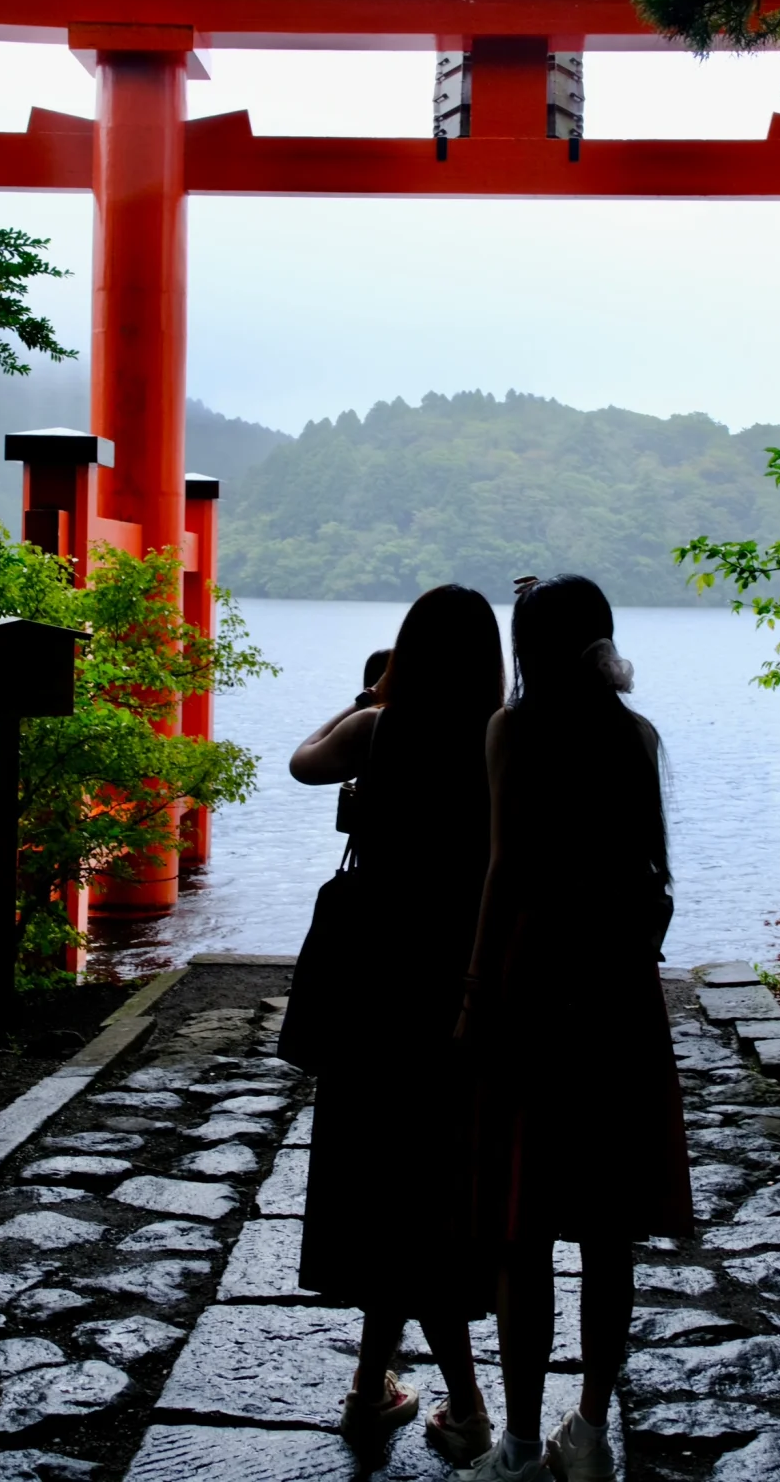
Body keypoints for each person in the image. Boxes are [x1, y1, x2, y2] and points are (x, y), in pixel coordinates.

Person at [456, 574, 693, 1482]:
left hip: (533, 981)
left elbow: (505, 871)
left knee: (523, 1224)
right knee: (606, 1228)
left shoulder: (512, 730)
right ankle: (589, 1434)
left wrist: (475, 989)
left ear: (528, 646)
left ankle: (518, 1445)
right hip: (619, 989)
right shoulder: (636, 736)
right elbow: (654, 876)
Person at [289, 585, 506, 1465]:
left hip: (372, 983)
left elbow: (304, 763)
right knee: (437, 1191)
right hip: (461, 978)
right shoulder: (501, 738)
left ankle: (427, 1395)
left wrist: (371, 698)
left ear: (406, 653)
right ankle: (406, 1393)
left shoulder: (379, 730)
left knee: (383, 1182)